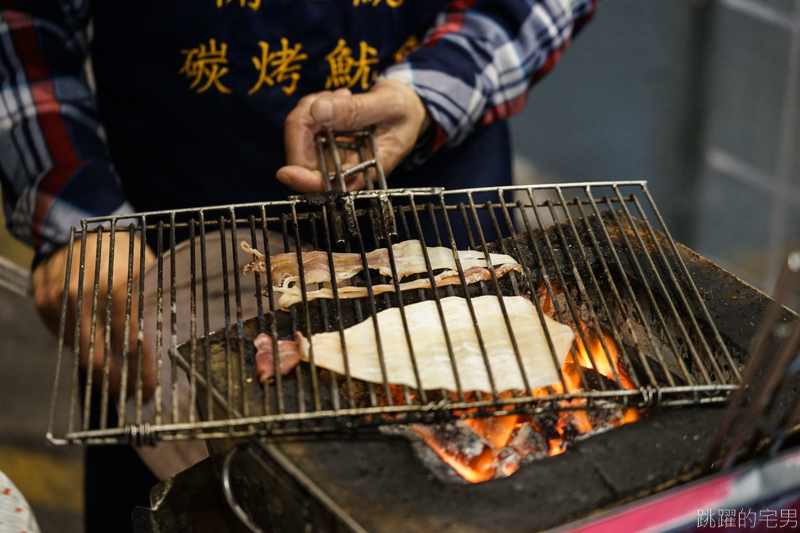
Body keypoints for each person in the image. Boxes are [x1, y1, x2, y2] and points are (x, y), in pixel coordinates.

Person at [0, 0, 597, 530]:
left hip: (432, 211)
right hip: (168, 269)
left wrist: (431, 92)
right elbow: (24, 18)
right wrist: (70, 198)